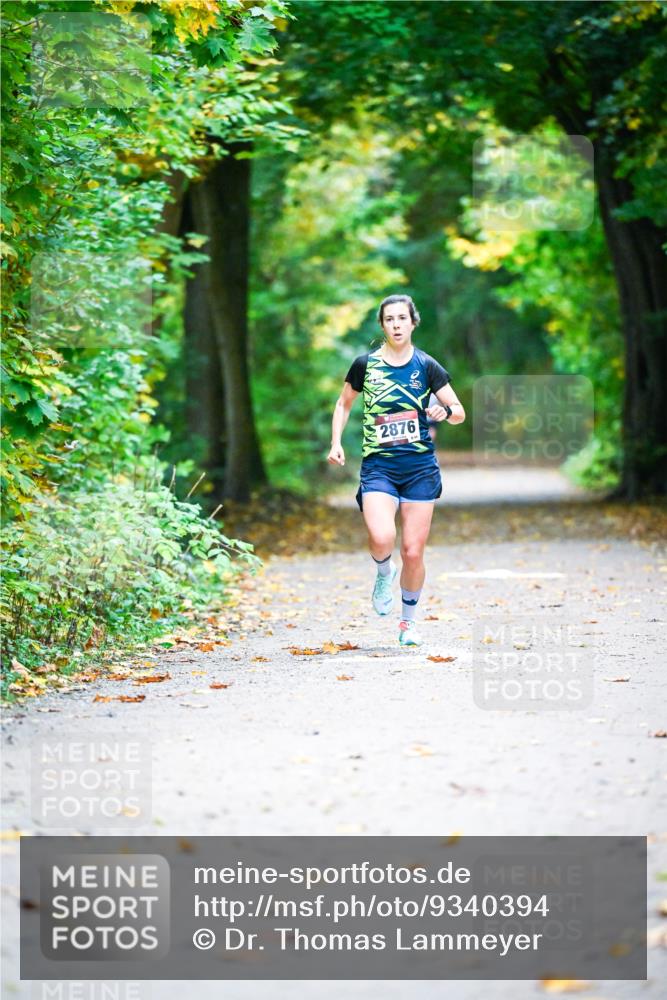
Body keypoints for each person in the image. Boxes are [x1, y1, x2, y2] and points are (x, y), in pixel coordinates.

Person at [327, 294, 465, 647]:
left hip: (419, 468)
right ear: (382, 325)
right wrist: (336, 442)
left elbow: (459, 410)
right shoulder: (365, 365)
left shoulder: (426, 366)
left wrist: (445, 412)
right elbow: (343, 405)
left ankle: (407, 624)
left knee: (414, 551)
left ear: (413, 322)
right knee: (382, 537)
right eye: (389, 319)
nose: (396, 325)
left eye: (402, 318)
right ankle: (382, 572)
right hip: (379, 467)